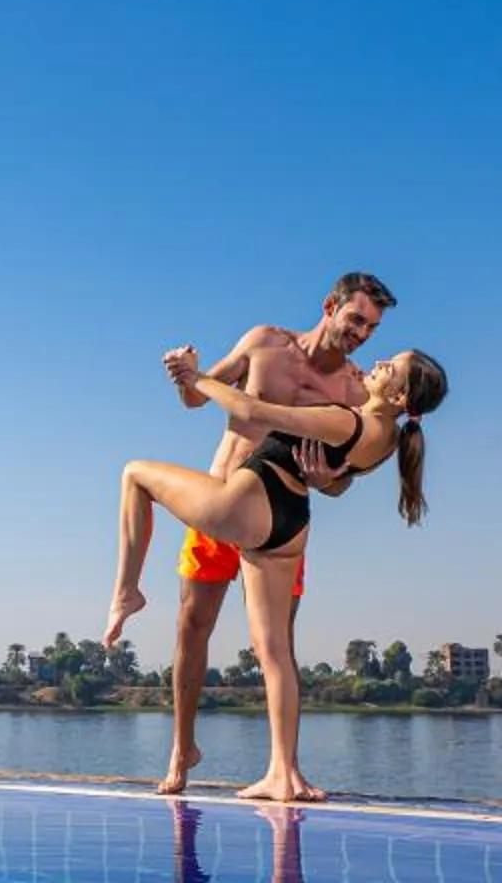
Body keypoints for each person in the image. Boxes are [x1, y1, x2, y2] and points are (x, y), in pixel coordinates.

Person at [105, 346, 448, 802]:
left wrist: (197, 376)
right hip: (290, 526)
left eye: (391, 368)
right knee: (275, 652)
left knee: (134, 474)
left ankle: (126, 592)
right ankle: (283, 773)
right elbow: (339, 477)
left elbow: (249, 409)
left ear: (401, 396)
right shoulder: (387, 438)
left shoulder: (350, 421)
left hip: (249, 502)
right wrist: (327, 478)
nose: (379, 362)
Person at [146, 274, 396, 795]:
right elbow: (197, 397)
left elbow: (341, 485)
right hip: (221, 503)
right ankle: (181, 749)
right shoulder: (264, 342)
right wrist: (182, 374)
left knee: (276, 647)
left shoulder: (354, 390)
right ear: (330, 306)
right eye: (355, 319)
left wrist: (331, 480)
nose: (361, 334)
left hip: (280, 518)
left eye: (371, 328)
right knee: (192, 627)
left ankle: (283, 767)